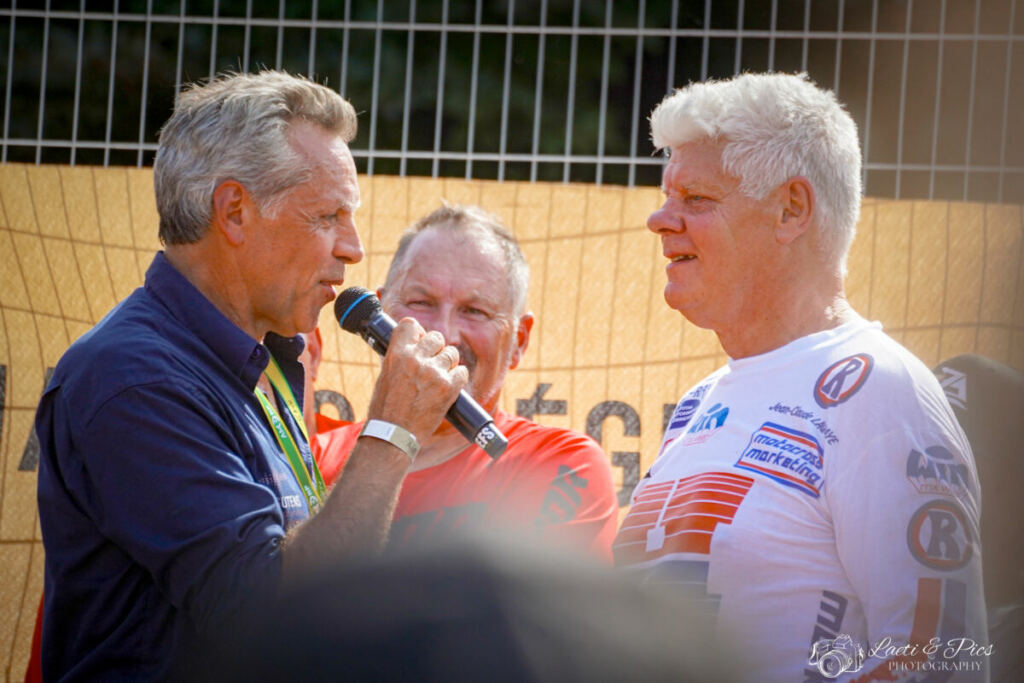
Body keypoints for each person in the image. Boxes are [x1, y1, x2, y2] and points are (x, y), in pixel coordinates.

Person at [34, 71, 467, 681]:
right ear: (234, 212)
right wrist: (393, 430)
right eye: (328, 216)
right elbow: (275, 618)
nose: (353, 248)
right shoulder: (133, 378)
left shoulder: (262, 358)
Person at [612, 73, 988, 681]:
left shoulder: (881, 390)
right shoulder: (699, 402)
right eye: (666, 195)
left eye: (696, 198)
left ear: (791, 209)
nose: (660, 219)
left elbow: (940, 661)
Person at [312, 204, 618, 561]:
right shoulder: (314, 459)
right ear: (379, 314)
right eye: (421, 302)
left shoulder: (560, 465)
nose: (444, 333)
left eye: (475, 311)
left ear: (519, 341)